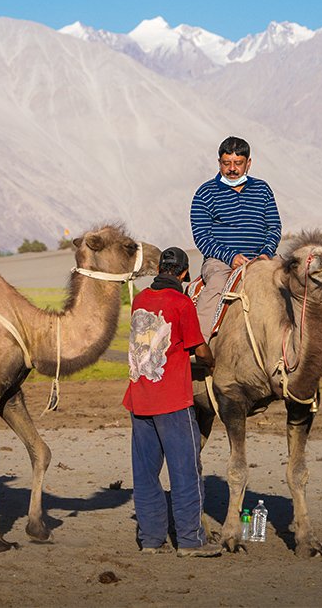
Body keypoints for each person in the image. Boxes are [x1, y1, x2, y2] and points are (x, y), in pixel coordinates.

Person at [123, 246, 221, 557]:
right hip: (173, 402)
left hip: (139, 399)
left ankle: (151, 540)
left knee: (145, 474)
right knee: (185, 471)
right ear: (183, 274)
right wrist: (212, 362)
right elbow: (200, 349)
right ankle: (191, 541)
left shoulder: (140, 299)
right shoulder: (181, 303)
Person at [190, 136, 282, 339]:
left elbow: (274, 226)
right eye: (226, 163)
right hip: (221, 261)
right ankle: (198, 344)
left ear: (248, 163)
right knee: (215, 285)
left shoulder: (263, 189)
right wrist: (230, 257)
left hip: (263, 257)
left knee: (294, 282)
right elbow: (202, 236)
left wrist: (266, 253)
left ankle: (303, 349)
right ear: (219, 163)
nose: (232, 169)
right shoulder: (205, 193)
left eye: (238, 163)